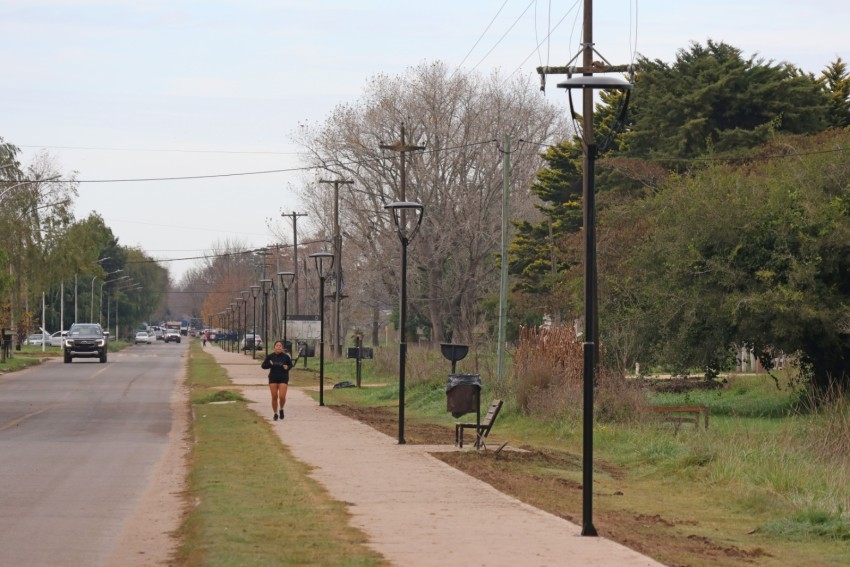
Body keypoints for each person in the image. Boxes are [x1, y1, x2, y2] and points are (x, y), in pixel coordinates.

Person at [261, 340, 293, 421]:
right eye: (277, 345)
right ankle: (275, 413)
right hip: (273, 378)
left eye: (280, 346)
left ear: (282, 348)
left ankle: (281, 409)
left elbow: (291, 365)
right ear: (274, 347)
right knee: (274, 397)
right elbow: (263, 366)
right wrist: (269, 364)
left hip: (283, 378)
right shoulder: (270, 356)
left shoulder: (286, 357)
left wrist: (287, 367)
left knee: (282, 397)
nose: (278, 347)